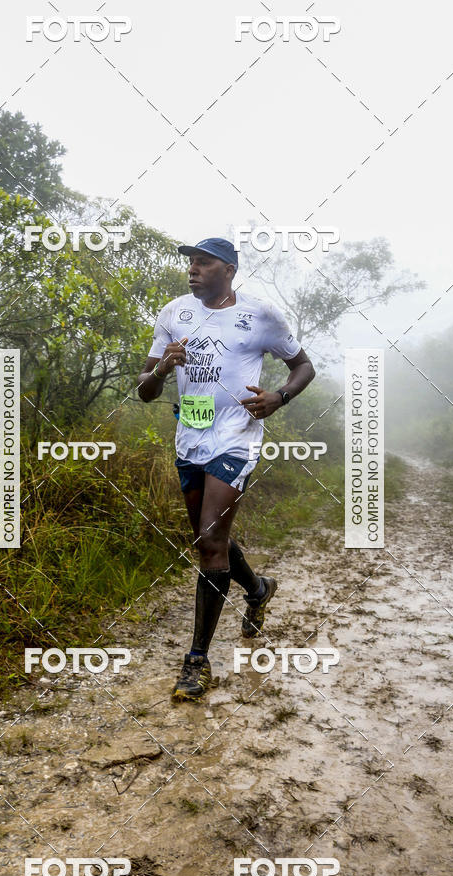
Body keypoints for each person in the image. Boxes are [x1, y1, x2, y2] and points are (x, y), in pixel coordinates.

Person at [137, 238, 315, 701]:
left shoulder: (260, 315)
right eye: (190, 263)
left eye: (203, 262)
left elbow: (303, 366)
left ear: (229, 269)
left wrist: (280, 396)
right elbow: (145, 389)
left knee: (211, 543)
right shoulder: (173, 312)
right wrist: (160, 372)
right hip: (190, 435)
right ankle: (257, 589)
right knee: (205, 537)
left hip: (236, 439)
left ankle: (197, 660)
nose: (192, 270)